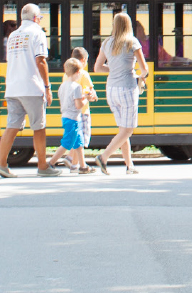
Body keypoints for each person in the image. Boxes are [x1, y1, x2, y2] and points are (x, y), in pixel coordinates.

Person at [0, 3, 58, 178]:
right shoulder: (38, 33)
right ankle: (43, 165)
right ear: (36, 18)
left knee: (12, 126)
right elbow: (41, 61)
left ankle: (1, 163)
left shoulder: (13, 35)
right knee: (39, 126)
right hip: (31, 86)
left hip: (13, 87)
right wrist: (47, 87)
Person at [89, 13, 145, 175]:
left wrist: (114, 69)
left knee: (122, 129)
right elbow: (144, 69)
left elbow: (98, 68)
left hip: (111, 90)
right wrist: (140, 76)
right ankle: (104, 157)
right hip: (127, 88)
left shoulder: (107, 42)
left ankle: (130, 166)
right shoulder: (132, 42)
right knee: (128, 130)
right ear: (129, 25)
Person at [55, 54, 92, 174]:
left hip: (66, 116)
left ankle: (83, 166)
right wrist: (86, 99)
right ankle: (50, 163)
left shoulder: (62, 86)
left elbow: (69, 100)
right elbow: (78, 105)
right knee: (67, 143)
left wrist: (82, 97)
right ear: (77, 72)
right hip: (73, 119)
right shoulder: (77, 87)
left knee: (79, 142)